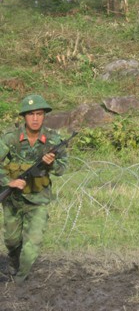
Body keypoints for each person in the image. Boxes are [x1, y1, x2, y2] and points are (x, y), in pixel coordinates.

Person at [0, 95, 68, 285]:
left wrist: (51, 164)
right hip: (13, 199)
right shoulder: (11, 138)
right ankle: (15, 265)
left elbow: (62, 169)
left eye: (39, 114)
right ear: (24, 117)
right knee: (12, 241)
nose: (35, 118)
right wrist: (8, 180)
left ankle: (20, 281)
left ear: (44, 116)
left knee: (32, 244)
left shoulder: (54, 140)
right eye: (31, 114)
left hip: (38, 199)